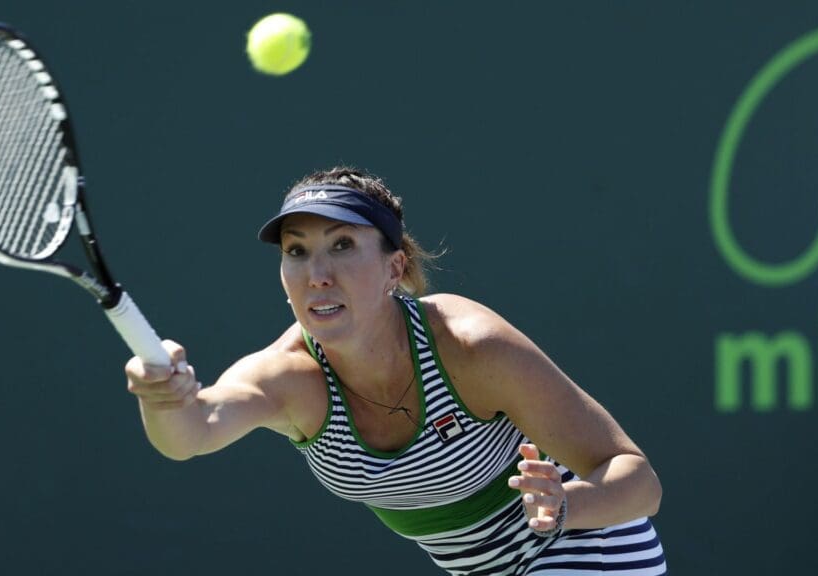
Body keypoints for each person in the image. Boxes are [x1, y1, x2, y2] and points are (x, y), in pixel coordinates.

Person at [125, 167, 667, 575]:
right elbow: (191, 434)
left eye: (342, 246)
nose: (317, 274)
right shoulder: (287, 378)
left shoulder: (470, 348)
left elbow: (638, 481)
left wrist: (566, 503)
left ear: (394, 267)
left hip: (590, 549)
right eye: (296, 251)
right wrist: (162, 398)